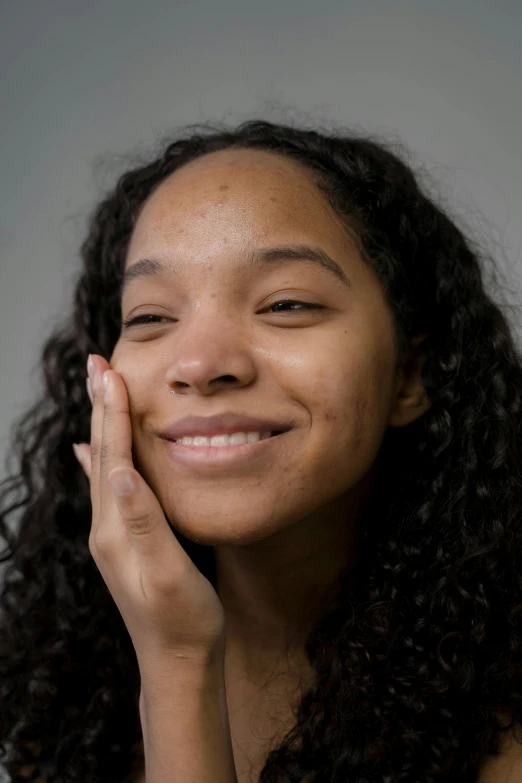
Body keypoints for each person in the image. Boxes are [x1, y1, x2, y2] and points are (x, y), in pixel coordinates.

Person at [1, 119, 521, 783]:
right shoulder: (73, 718)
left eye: (285, 303)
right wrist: (173, 651)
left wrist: (179, 667)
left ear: (412, 376)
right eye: (151, 317)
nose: (200, 363)